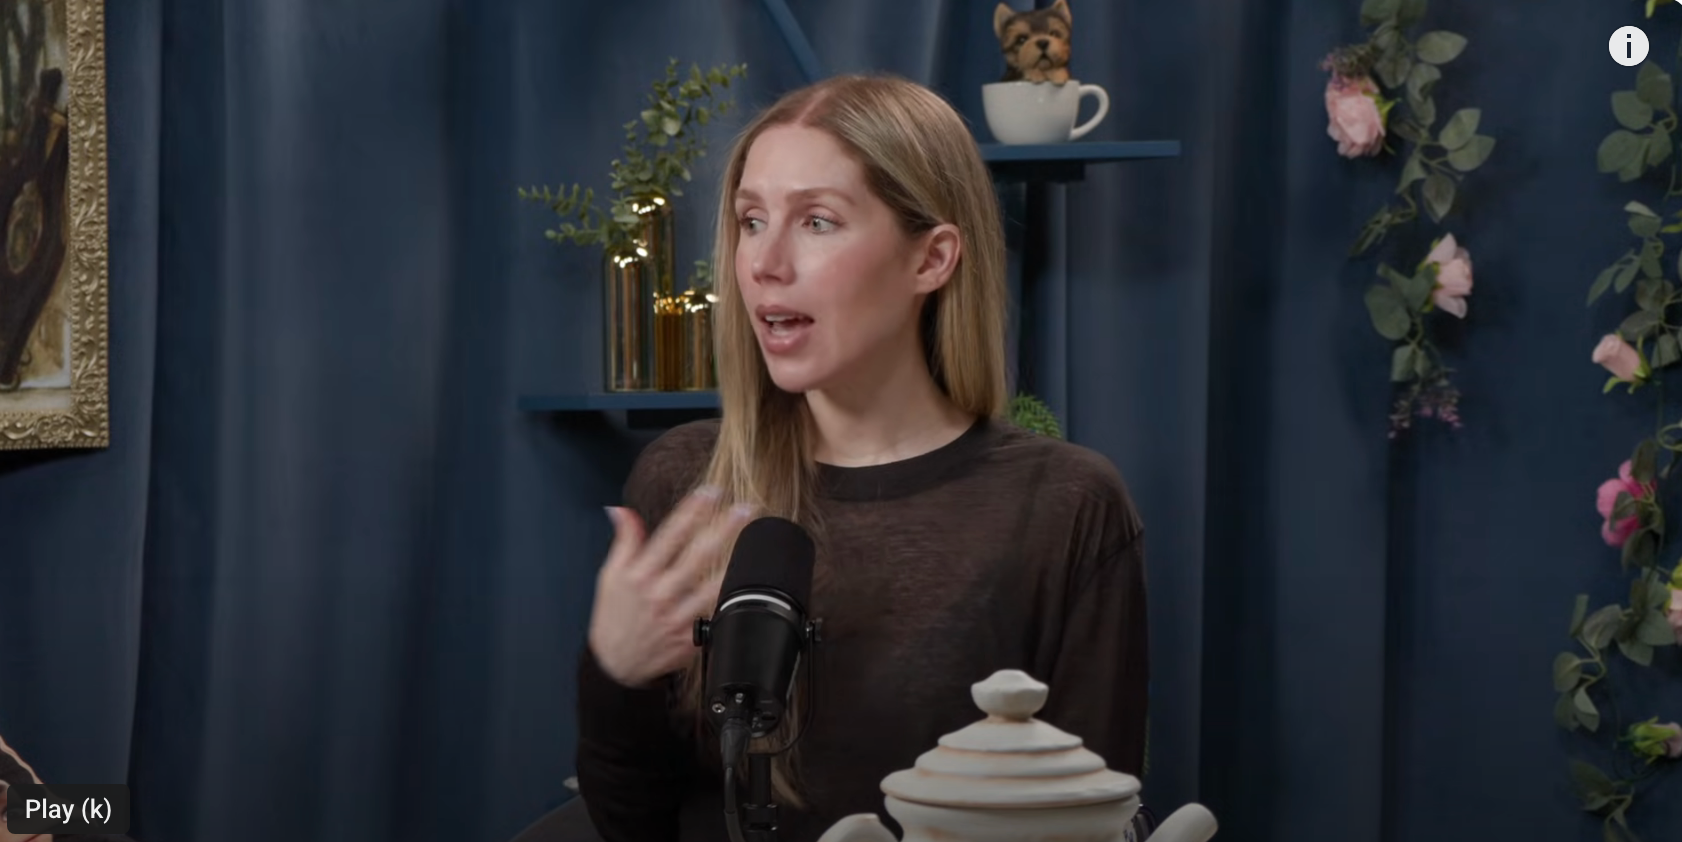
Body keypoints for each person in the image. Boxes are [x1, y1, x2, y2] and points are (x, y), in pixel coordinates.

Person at [573, 73, 1149, 842]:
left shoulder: (1066, 506)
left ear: (932, 259)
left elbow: (1089, 821)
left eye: (816, 221)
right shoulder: (691, 482)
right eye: (751, 220)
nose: (764, 263)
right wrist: (614, 673)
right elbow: (629, 824)